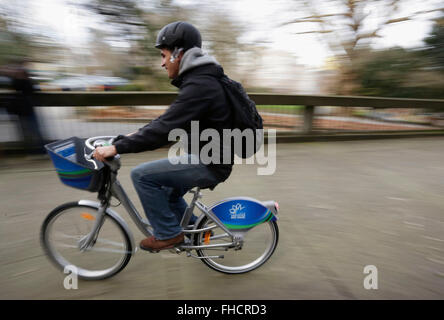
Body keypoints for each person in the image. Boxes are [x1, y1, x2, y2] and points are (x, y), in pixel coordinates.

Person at [93, 21, 234, 252]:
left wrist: (117, 149)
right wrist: (123, 139)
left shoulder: (200, 85)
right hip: (205, 156)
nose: (161, 62)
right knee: (166, 191)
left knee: (142, 175)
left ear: (178, 53)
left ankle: (169, 235)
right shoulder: (200, 81)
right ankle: (197, 230)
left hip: (210, 163)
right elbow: (168, 123)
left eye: (163, 54)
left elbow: (164, 130)